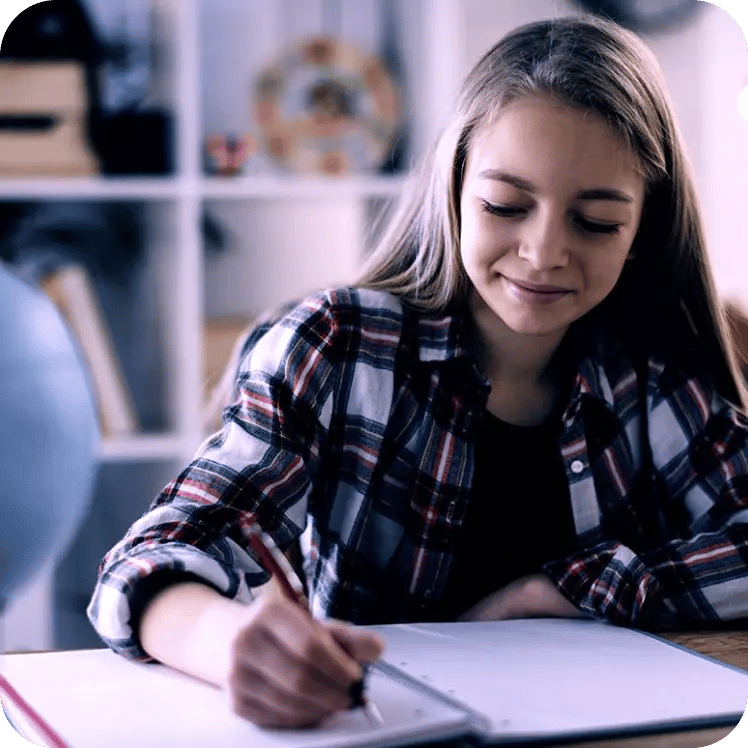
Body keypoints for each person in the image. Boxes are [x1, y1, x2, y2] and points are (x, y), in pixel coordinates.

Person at [88, 14, 748, 730]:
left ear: (644, 230)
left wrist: (559, 591)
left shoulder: (650, 377)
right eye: (506, 206)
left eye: (594, 222)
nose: (542, 252)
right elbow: (155, 556)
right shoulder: (336, 348)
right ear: (455, 187)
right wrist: (227, 644)